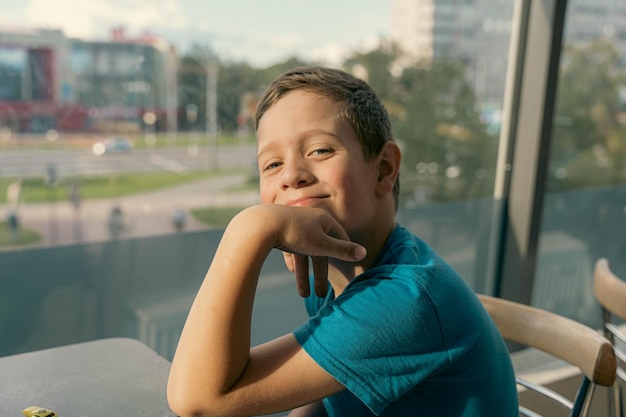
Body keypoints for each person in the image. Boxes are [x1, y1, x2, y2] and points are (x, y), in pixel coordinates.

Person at [167, 66, 518, 417]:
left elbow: (199, 401)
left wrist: (249, 229)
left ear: (383, 169)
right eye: (272, 164)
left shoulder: (403, 301)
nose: (291, 175)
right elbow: (324, 390)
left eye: (320, 150)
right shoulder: (333, 271)